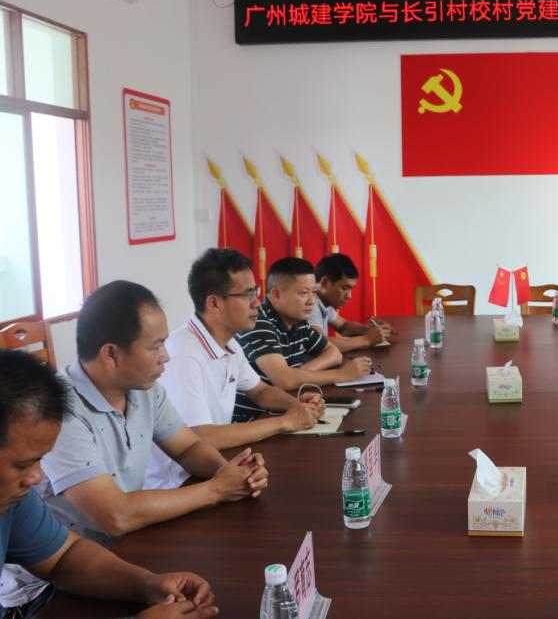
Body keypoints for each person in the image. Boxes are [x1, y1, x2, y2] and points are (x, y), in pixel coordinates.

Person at [0, 281, 267, 611]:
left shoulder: (144, 389)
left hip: (110, 553)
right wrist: (216, 489)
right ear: (111, 353)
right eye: (156, 346)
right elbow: (114, 515)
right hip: (41, 592)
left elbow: (187, 447)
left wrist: (231, 474)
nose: (37, 478)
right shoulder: (61, 410)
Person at [0, 350, 218, 618]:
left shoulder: (14, 501)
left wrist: (145, 584)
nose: (36, 477)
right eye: (22, 465)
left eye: (40, 461)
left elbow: (63, 557)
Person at [146, 248, 326, 490]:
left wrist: (297, 407)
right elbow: (202, 436)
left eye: (256, 292)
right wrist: (284, 422)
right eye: (247, 294)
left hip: (214, 469)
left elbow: (261, 391)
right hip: (178, 485)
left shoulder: (229, 343)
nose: (256, 303)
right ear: (214, 303)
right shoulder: (182, 354)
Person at [235, 257, 372, 418]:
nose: (311, 301)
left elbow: (333, 352)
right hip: (254, 419)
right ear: (276, 294)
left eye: (313, 292)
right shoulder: (258, 322)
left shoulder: (298, 321)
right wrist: (342, 375)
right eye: (303, 293)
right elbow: (284, 380)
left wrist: (300, 373)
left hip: (284, 408)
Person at [310, 253, 394, 352]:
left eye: (351, 289)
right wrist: (366, 340)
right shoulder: (311, 303)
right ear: (325, 283)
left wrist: (368, 329)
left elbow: (344, 326)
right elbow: (319, 343)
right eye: (344, 288)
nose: (349, 296)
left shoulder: (324, 302)